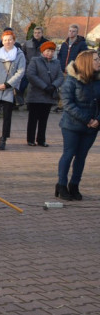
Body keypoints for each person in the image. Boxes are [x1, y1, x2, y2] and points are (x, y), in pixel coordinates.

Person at [55, 50, 100, 201]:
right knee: (69, 154)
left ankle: (74, 185)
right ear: (87, 62)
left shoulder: (98, 80)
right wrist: (87, 119)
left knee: (81, 157)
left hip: (92, 127)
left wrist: (97, 120)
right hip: (72, 126)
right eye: (95, 59)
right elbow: (68, 104)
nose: (98, 61)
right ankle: (61, 185)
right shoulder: (72, 80)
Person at [0, 29, 26, 151]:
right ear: (2, 41)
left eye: (10, 40)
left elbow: (21, 71)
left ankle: (3, 139)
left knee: (7, 116)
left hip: (9, 89)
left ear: (14, 41)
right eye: (5, 40)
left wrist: (8, 84)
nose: (7, 42)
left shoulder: (19, 54)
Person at [25, 40, 62, 147]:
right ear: (42, 51)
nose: (50, 53)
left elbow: (60, 76)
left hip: (48, 96)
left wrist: (54, 86)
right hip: (35, 95)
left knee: (44, 119)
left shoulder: (57, 63)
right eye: (48, 51)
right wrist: (44, 86)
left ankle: (41, 139)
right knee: (33, 118)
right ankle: (30, 139)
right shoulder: (35, 60)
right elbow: (31, 75)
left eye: (52, 51)